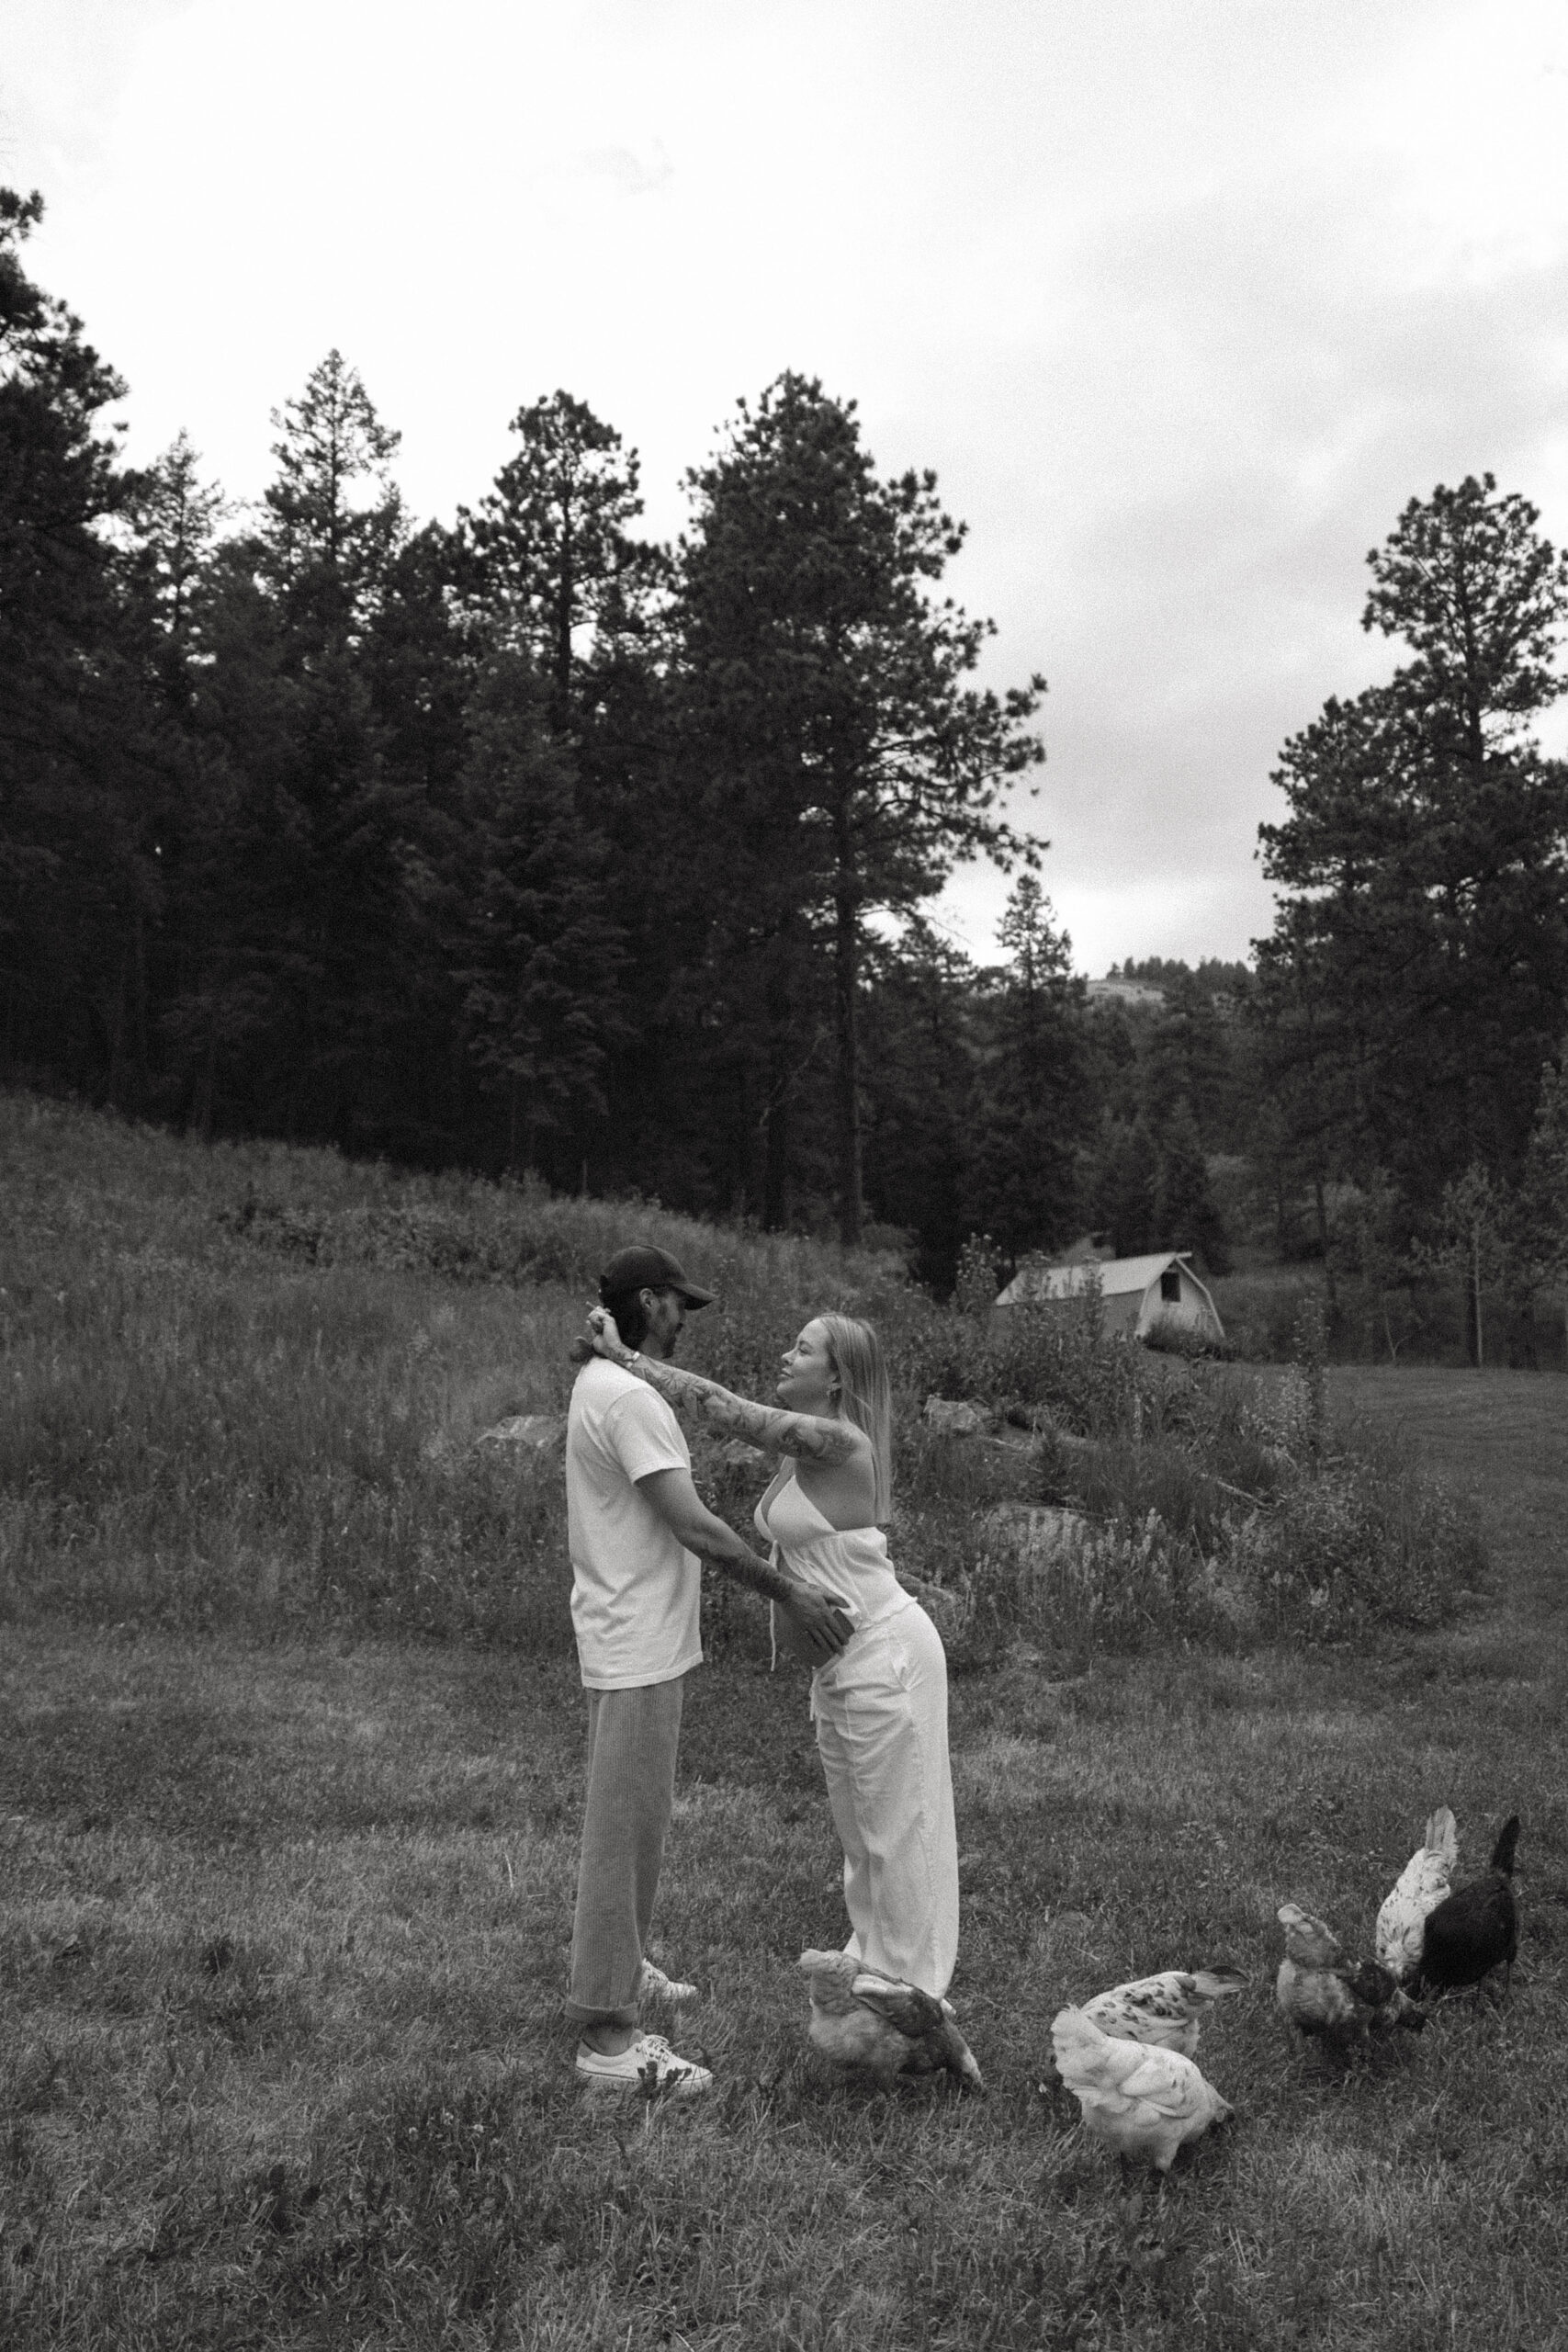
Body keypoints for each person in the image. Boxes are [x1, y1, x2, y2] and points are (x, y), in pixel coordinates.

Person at [585, 1301, 961, 2005]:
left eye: (802, 1350)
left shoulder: (839, 1442)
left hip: (885, 1655)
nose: (786, 1358)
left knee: (901, 1832)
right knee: (861, 1834)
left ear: (837, 1378)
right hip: (844, 1661)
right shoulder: (805, 1450)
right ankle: (874, 1968)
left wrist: (628, 1358)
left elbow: (725, 1410)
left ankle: (917, 1997)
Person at [565, 1243, 852, 2097]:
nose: (685, 1319)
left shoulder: (602, 1381)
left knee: (632, 1825)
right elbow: (694, 1526)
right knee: (621, 1836)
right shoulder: (628, 1397)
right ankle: (610, 2040)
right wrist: (789, 1593)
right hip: (636, 1644)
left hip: (625, 1634)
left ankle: (621, 1964)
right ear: (649, 1303)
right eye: (679, 1304)